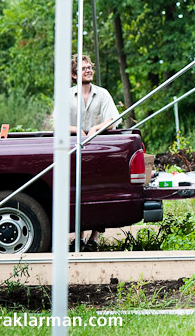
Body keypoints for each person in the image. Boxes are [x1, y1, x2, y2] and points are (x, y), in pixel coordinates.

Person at [69, 54, 120, 250]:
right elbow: (58, 125)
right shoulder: (68, 96)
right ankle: (79, 238)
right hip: (76, 150)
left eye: (89, 67)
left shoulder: (103, 94)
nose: (88, 70)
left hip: (99, 152)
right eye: (83, 68)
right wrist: (79, 131)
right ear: (74, 75)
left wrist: (96, 128)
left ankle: (94, 238)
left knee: (99, 193)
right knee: (78, 193)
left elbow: (114, 119)